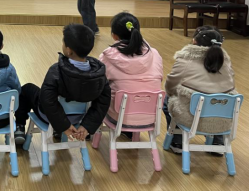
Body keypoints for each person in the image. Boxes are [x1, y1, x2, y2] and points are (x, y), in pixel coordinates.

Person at [15, 24, 111, 145]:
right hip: (78, 118)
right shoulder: (99, 74)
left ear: (69, 50)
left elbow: (47, 100)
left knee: (27, 89)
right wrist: (86, 125)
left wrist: (64, 125)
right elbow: (103, 102)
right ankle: (58, 131)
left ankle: (19, 127)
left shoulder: (56, 71)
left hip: (50, 118)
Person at [164, 27, 235, 155]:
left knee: (167, 100)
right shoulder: (226, 61)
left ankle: (178, 141)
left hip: (191, 118)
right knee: (220, 100)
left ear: (194, 41)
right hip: (220, 119)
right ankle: (218, 142)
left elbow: (170, 86)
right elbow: (231, 84)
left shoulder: (185, 59)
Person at [99, 13, 163, 136]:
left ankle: (88, 130)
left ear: (114, 35)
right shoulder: (155, 54)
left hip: (118, 116)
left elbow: (99, 83)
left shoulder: (108, 56)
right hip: (150, 117)